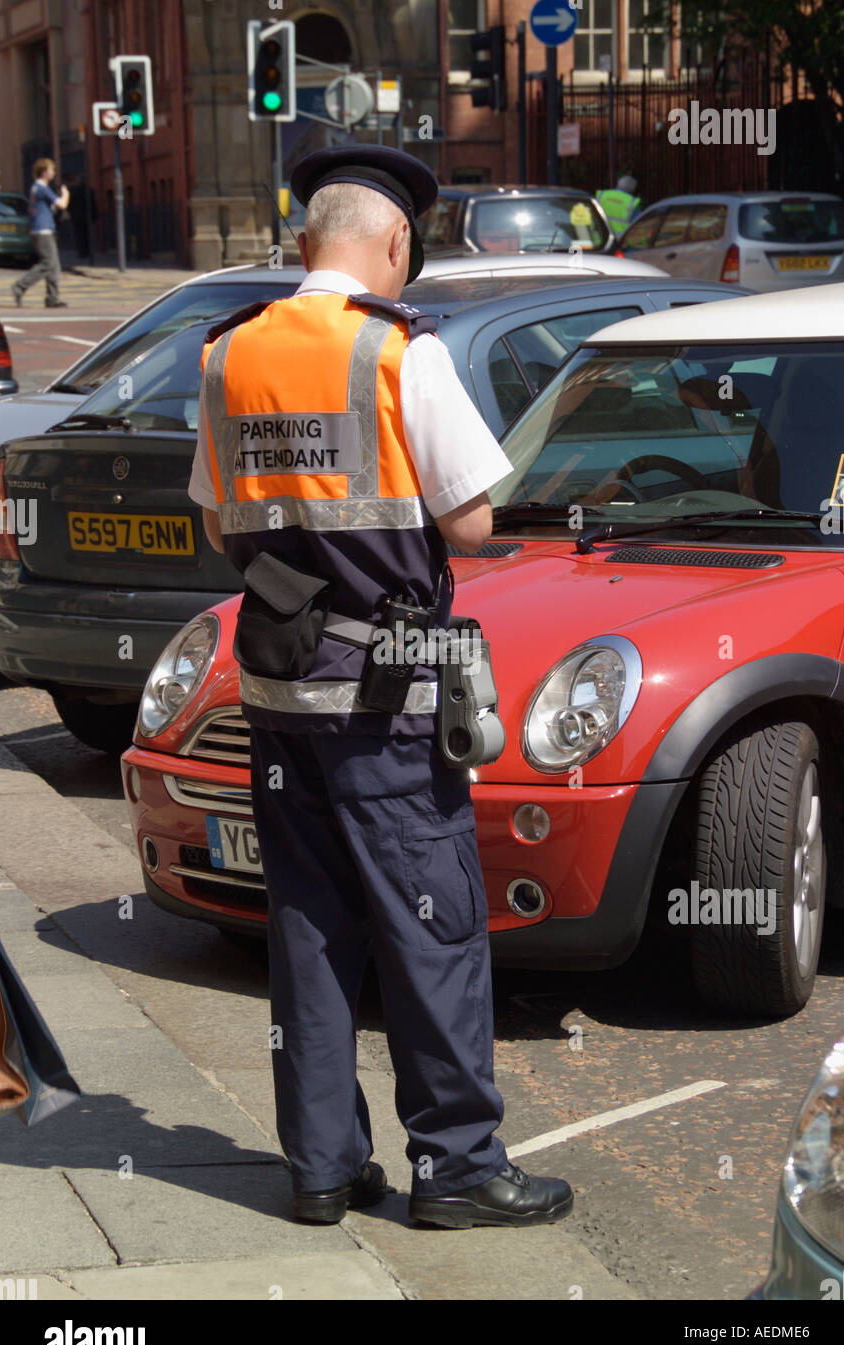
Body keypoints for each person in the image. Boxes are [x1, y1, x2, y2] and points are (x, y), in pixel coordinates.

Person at [187, 144, 575, 1230]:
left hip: (275, 700)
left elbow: (218, 522)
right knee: (431, 926)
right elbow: (469, 520)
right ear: (393, 240)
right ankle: (454, 1167)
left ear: (308, 238)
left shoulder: (226, 356)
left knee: (306, 929)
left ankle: (320, 1165)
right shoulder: (398, 353)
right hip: (390, 703)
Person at [12, 158, 69, 308]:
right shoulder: (42, 188)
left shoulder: (35, 188)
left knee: (54, 266)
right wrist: (65, 193)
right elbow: (62, 204)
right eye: (52, 170)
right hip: (43, 231)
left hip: (41, 229)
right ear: (44, 172)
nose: (53, 173)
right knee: (47, 264)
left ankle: (52, 298)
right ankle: (20, 286)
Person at [596, 174, 642, 238]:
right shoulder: (633, 202)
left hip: (599, 238)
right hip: (620, 241)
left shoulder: (601, 195)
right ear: (632, 190)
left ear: (618, 184)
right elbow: (636, 226)